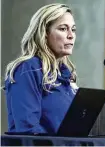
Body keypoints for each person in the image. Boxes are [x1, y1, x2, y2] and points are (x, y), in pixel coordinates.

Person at [4, 3, 79, 134]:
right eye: (63, 29)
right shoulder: (28, 69)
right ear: (44, 33)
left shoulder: (65, 74)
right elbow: (28, 128)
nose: (70, 35)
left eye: (73, 29)